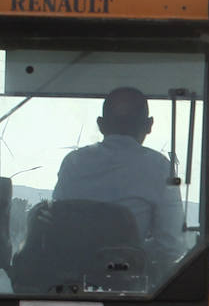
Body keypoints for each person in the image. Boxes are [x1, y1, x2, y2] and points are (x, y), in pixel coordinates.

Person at [52, 87, 184, 257]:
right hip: (127, 278)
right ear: (149, 125)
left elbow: (56, 225)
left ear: (100, 124)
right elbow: (171, 245)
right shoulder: (160, 167)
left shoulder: (73, 162)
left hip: (70, 274)